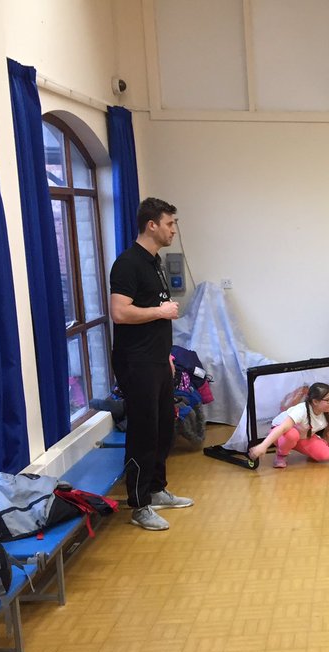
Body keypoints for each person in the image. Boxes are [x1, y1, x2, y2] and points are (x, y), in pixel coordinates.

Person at [110, 197, 192, 532]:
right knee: (143, 433)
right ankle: (139, 505)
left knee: (163, 429)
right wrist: (161, 311)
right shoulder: (127, 263)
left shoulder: (154, 262)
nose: (174, 230)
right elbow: (120, 312)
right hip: (136, 363)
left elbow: (153, 316)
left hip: (157, 359)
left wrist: (167, 356)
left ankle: (157, 489)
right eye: (170, 224)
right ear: (151, 225)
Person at [248, 383, 329, 469]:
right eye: (328, 400)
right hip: (281, 434)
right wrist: (263, 446)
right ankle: (281, 456)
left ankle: (310, 444)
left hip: (302, 437)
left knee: (325, 455)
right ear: (315, 401)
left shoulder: (326, 411)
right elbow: (282, 428)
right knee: (291, 434)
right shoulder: (301, 410)